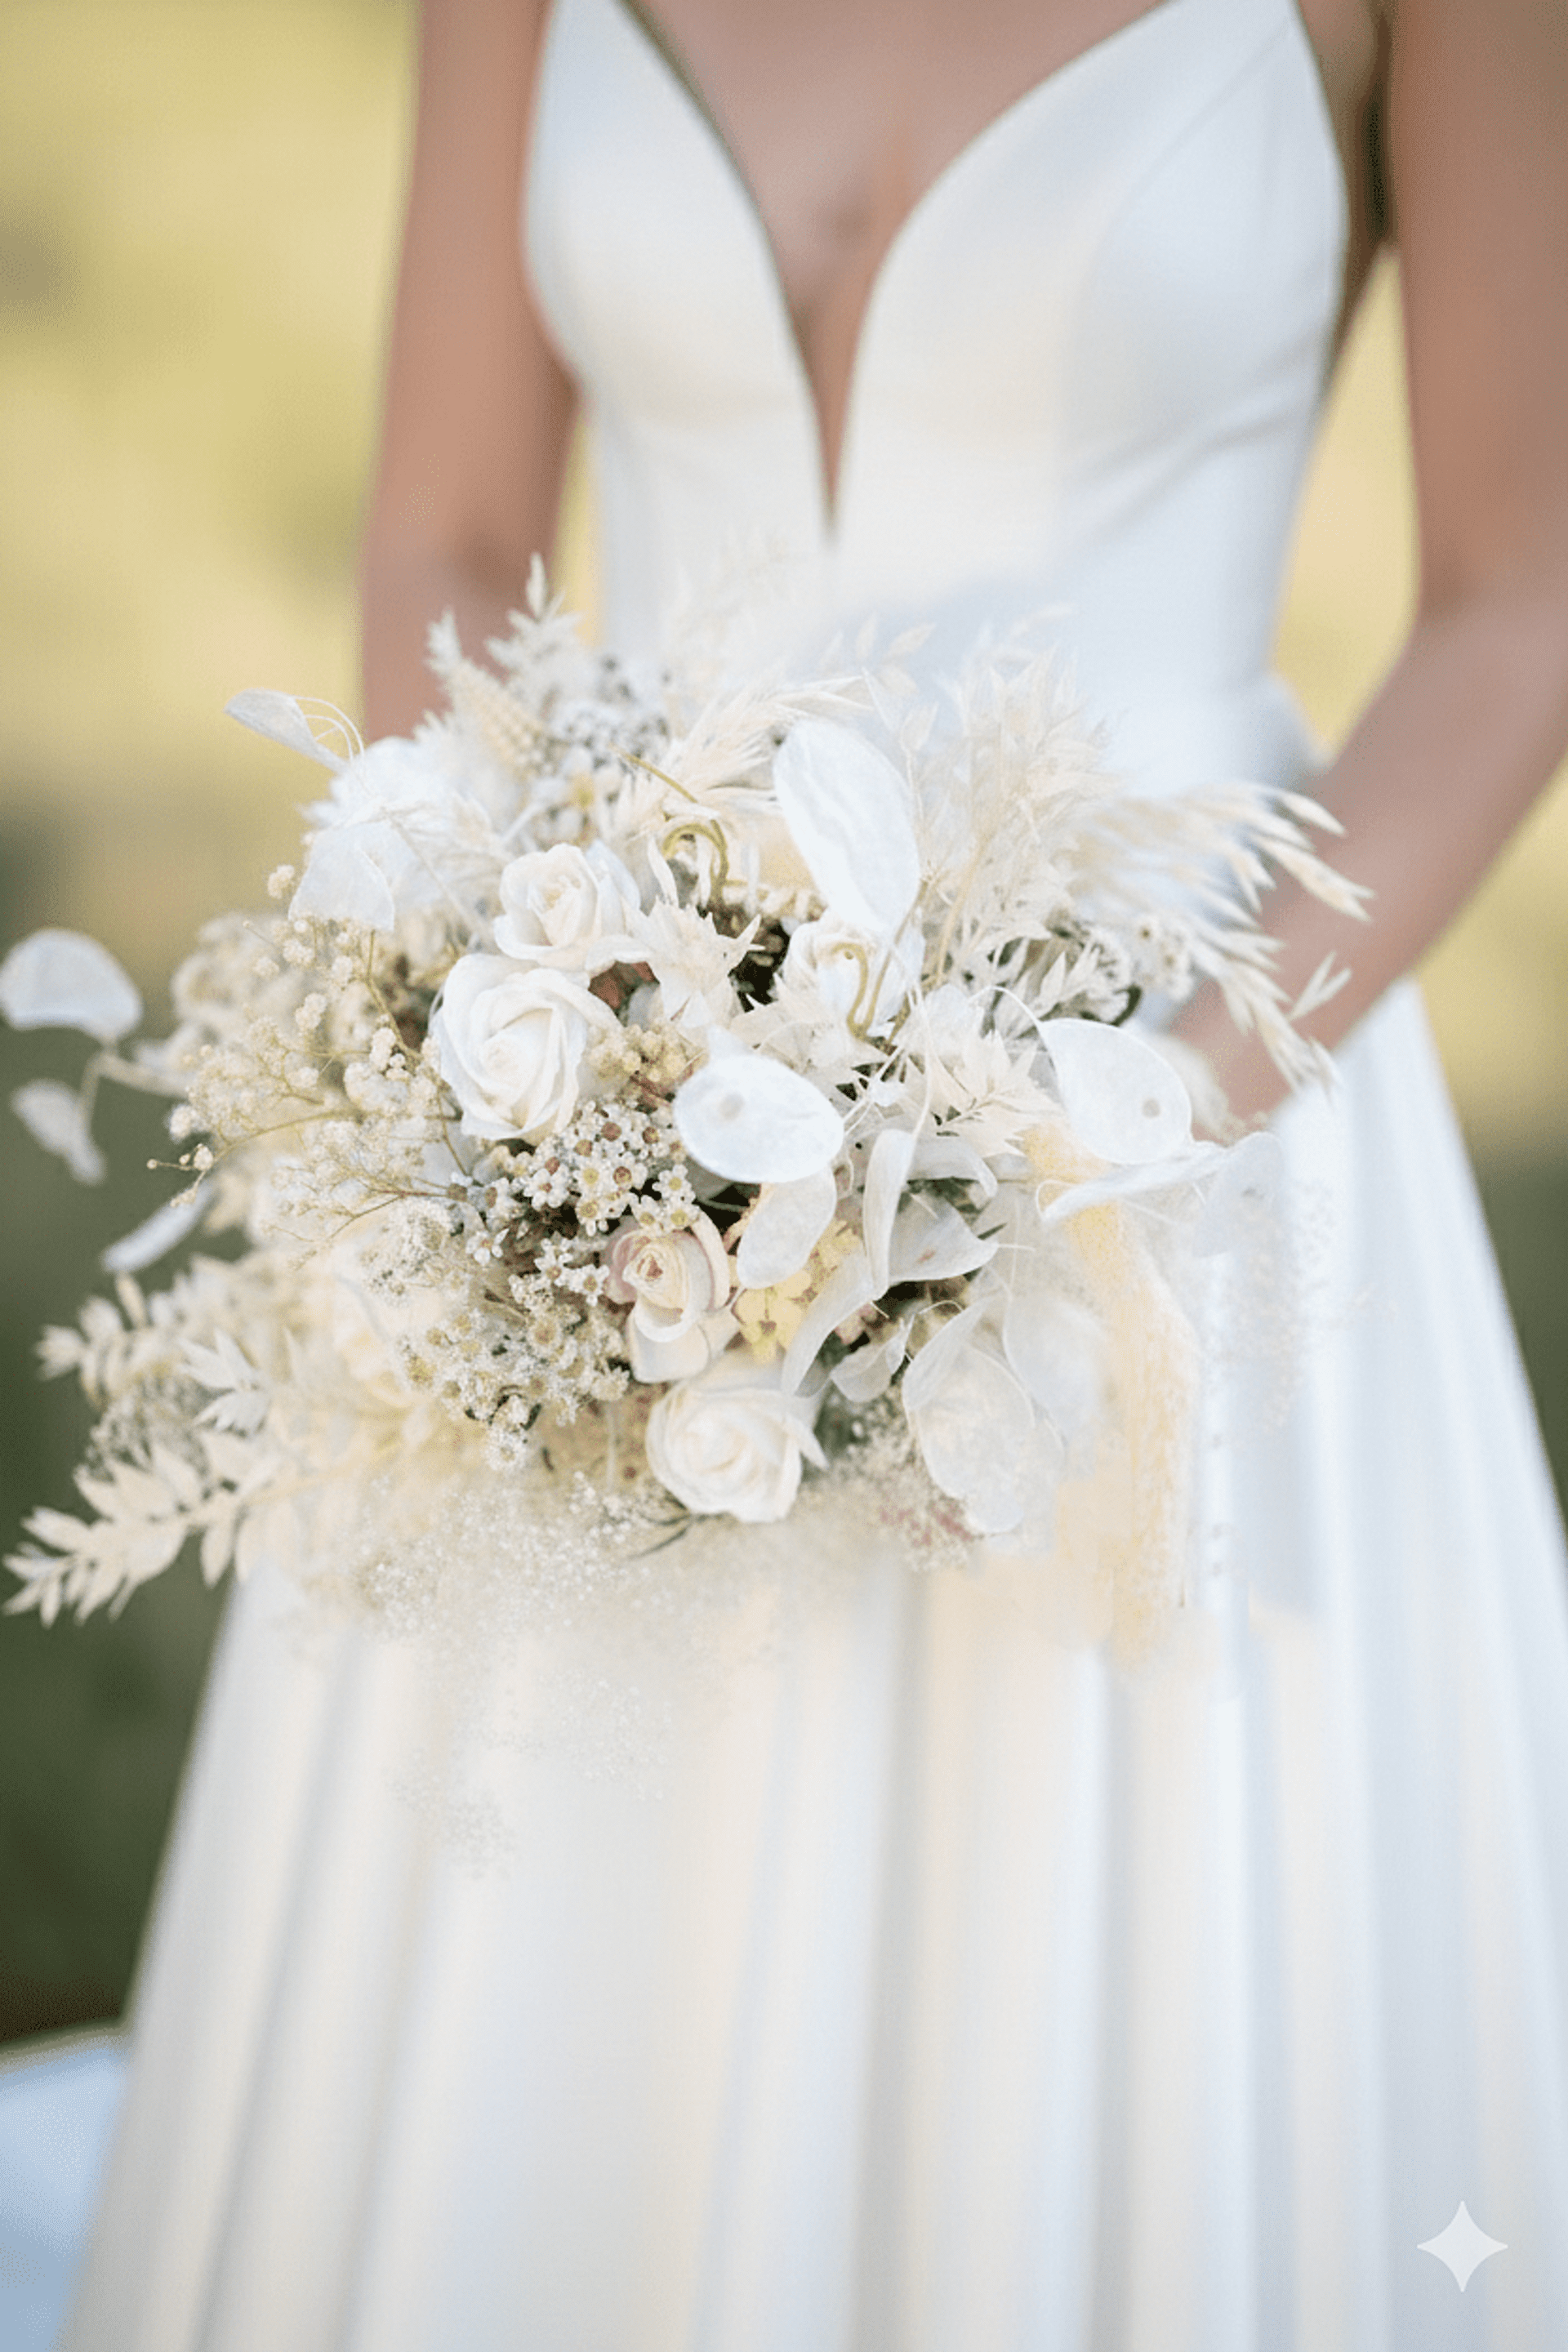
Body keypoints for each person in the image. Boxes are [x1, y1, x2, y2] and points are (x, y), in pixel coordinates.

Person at [61, 0, 1568, 2345]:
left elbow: (1523, 592)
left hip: (1180, 1083)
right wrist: (502, 1020)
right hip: (608, 1056)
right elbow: (450, 526)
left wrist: (1134, 1120)